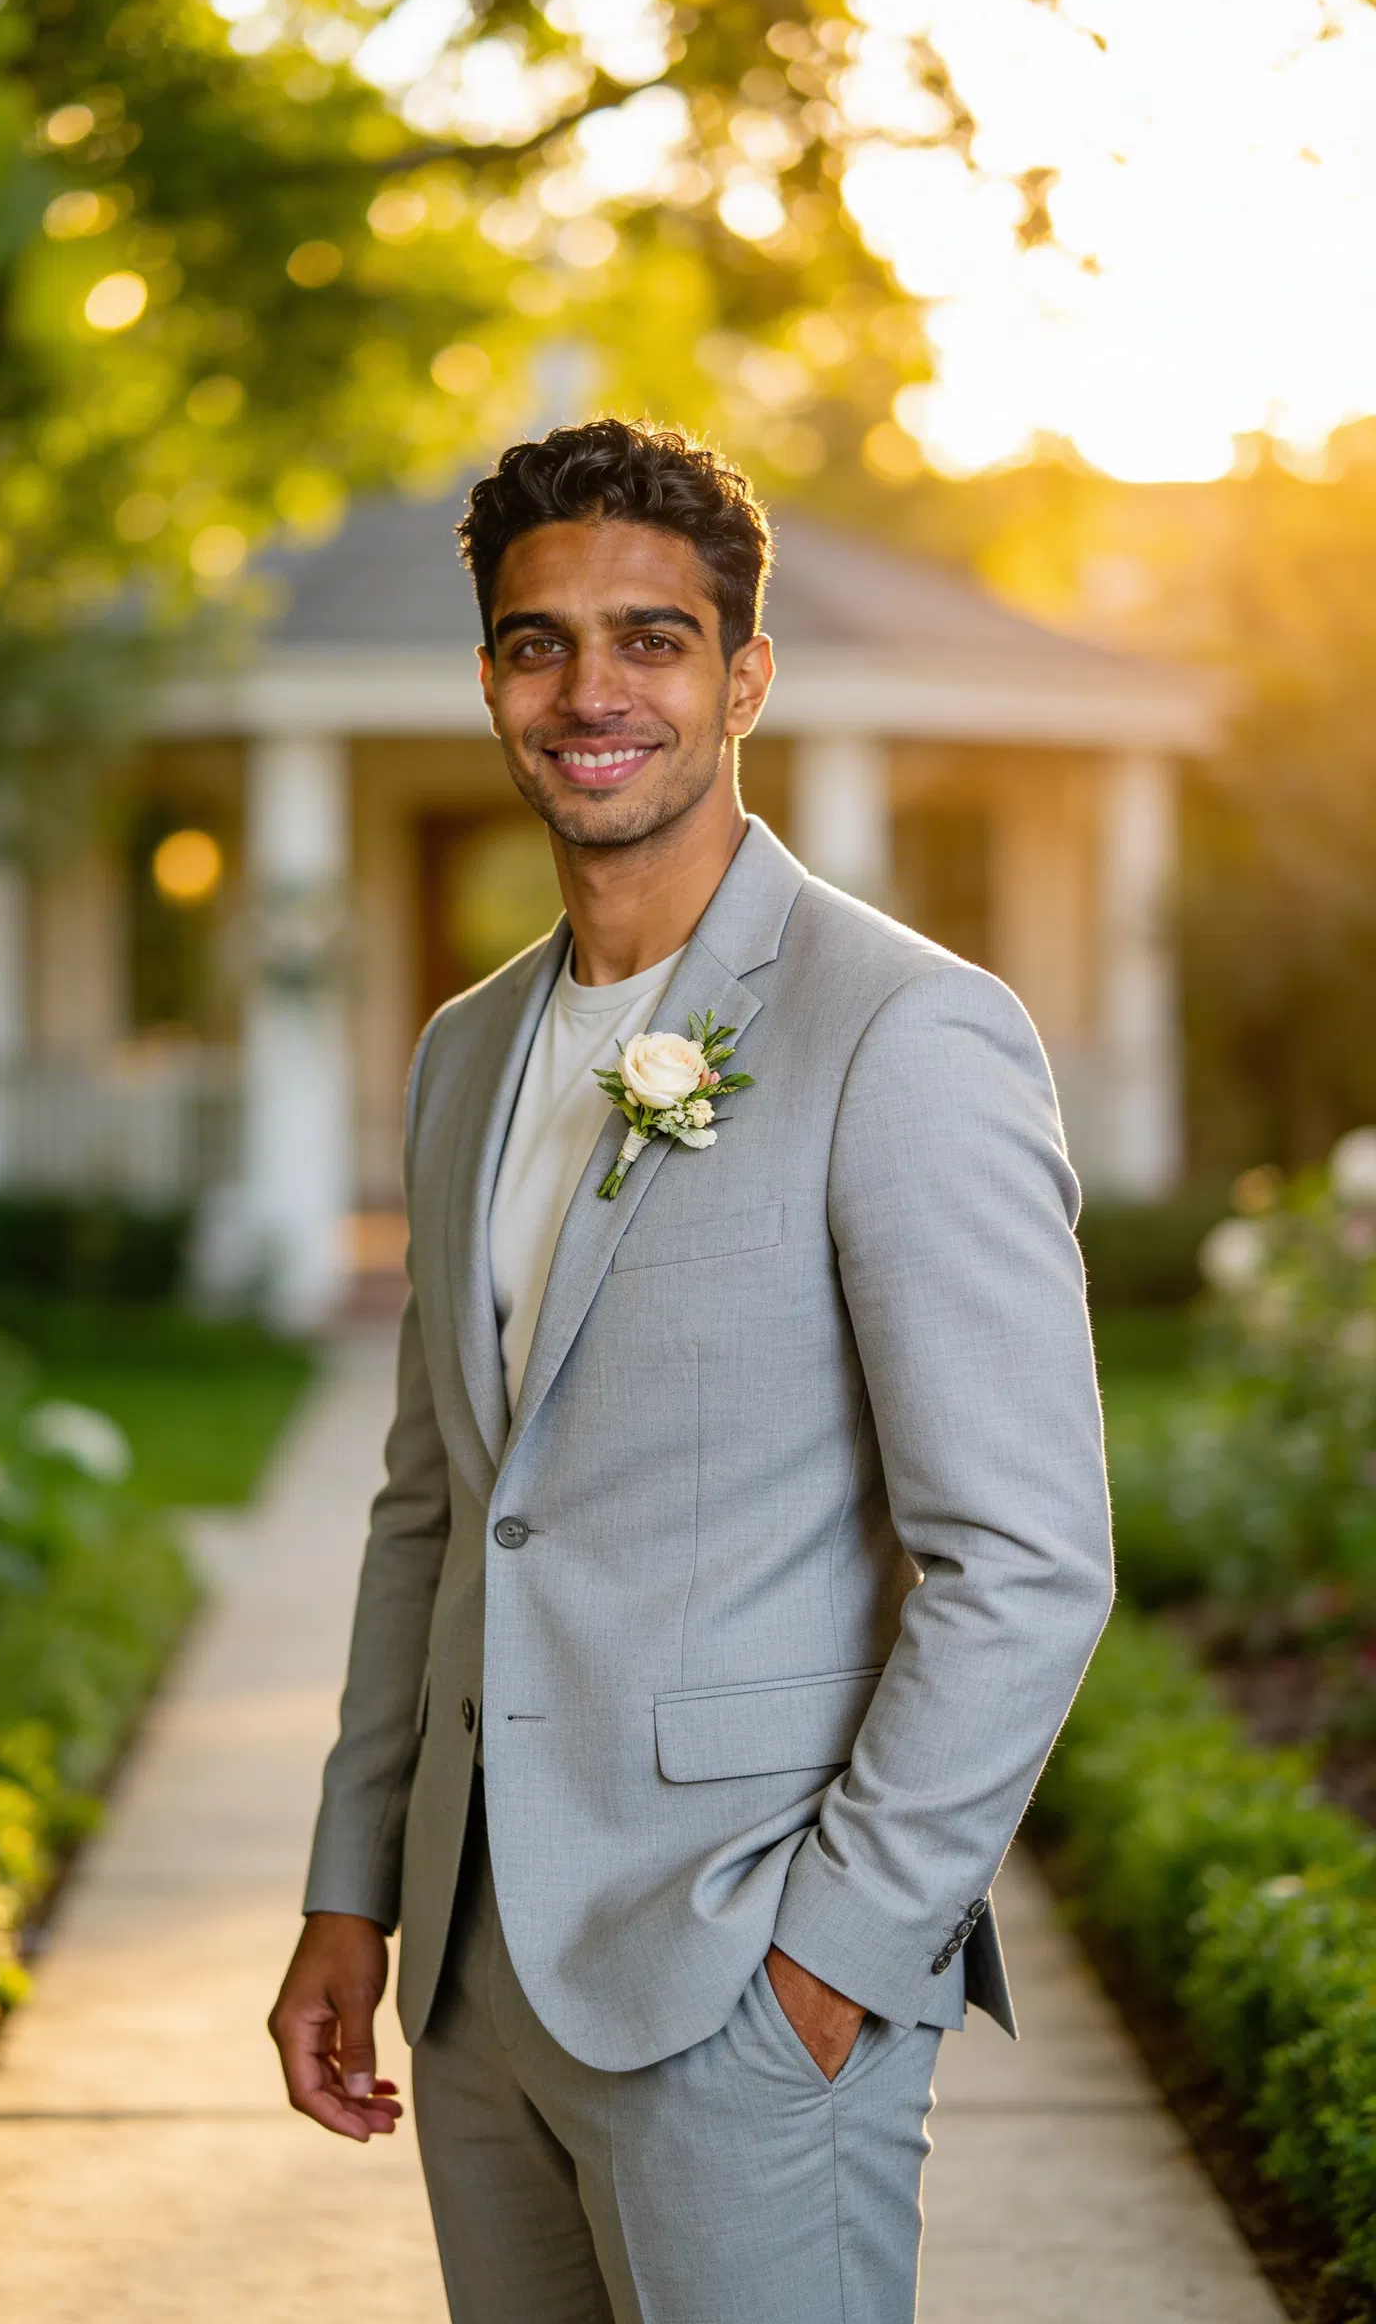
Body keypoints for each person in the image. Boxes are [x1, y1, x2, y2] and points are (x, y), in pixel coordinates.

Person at [269, 417, 1114, 2323]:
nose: (593, 693)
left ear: (744, 677)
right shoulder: (465, 1055)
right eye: (537, 641)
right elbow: (443, 1506)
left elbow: (1030, 1560)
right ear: (487, 676)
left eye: (651, 640)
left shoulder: (905, 1029)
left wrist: (836, 1962)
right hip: (478, 1988)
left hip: (744, 1986)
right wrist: (356, 1892)